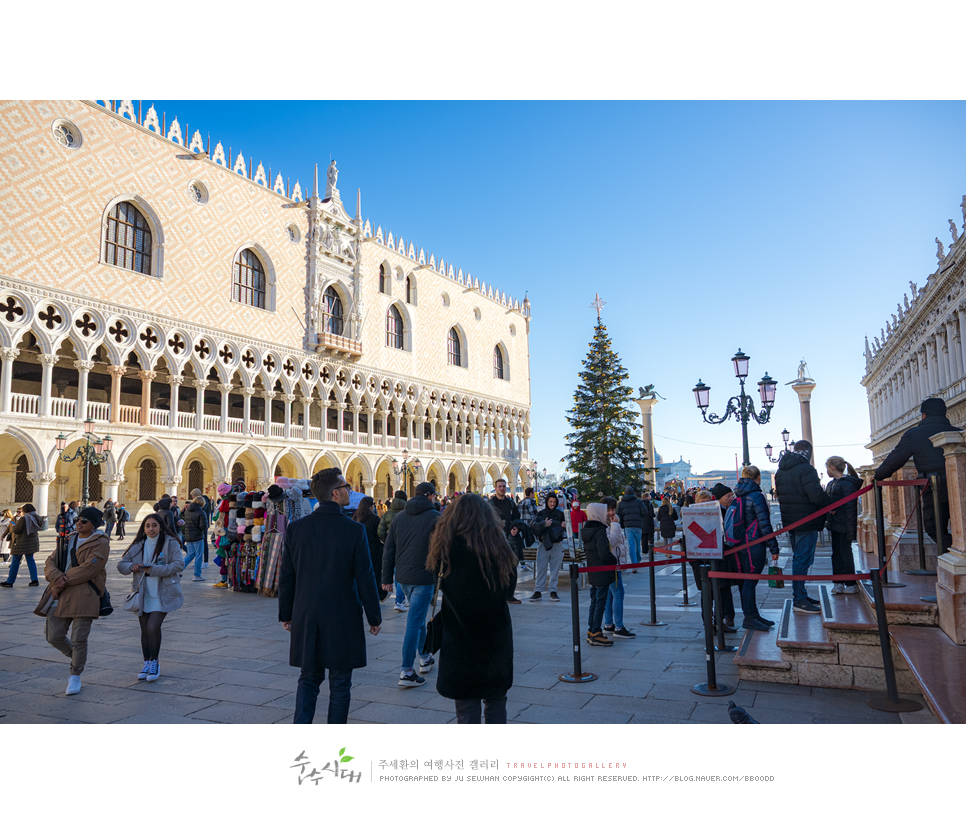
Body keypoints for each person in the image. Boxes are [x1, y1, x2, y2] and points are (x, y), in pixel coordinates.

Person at [279, 468, 382, 724]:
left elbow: (287, 577)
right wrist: (374, 616)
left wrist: (286, 614)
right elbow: (365, 577)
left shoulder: (296, 529)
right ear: (336, 494)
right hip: (342, 616)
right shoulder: (354, 530)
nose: (349, 490)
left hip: (307, 614)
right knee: (340, 684)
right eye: (346, 486)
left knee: (309, 679)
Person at [425, 493, 516, 723]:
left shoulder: (446, 549)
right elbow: (508, 588)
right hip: (495, 638)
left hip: (460, 639)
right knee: (496, 702)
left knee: (466, 708)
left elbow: (437, 578)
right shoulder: (499, 548)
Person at [874, 397, 958, 550]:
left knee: (934, 527)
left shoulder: (914, 434)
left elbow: (895, 460)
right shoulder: (958, 432)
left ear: (924, 415)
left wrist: (877, 476)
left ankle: (952, 555)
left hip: (934, 488)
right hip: (959, 484)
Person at [43, 506, 110, 695]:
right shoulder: (69, 538)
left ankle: (75, 674)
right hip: (60, 592)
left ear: (94, 525)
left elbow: (90, 569)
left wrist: (62, 580)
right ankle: (76, 657)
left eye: (84, 521)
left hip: (84, 594)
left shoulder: (101, 542)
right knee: (53, 636)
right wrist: (56, 577)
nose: (79, 523)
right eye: (78, 519)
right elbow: (50, 561)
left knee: (79, 639)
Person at [381, 481, 441, 687]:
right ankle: (406, 671)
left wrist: (387, 579)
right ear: (431, 496)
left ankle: (425, 657)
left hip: (403, 578)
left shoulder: (398, 517)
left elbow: (388, 549)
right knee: (413, 624)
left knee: (418, 617)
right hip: (424, 578)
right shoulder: (436, 518)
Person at [116, 514, 184, 681]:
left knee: (153, 627)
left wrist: (153, 570)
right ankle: (146, 662)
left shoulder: (170, 543)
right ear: (143, 528)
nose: (151, 529)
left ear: (160, 526)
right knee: (144, 630)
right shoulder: (139, 545)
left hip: (163, 593)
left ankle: (155, 662)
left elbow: (178, 564)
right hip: (143, 594)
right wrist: (133, 566)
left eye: (154, 525)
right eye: (147, 526)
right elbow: (121, 565)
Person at [776, 440, 832, 614]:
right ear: (809, 452)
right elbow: (816, 495)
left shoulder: (781, 470)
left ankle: (801, 594)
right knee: (803, 559)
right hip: (806, 520)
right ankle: (799, 598)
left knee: (800, 558)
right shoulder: (806, 469)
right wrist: (832, 505)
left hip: (791, 521)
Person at [730, 467, 780, 630]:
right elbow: (764, 524)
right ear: (758, 477)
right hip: (754, 543)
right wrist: (774, 547)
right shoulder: (757, 496)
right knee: (750, 582)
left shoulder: (738, 494)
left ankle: (753, 614)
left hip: (741, 544)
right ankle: (750, 617)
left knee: (747, 581)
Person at [581, 503, 616, 646]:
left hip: (593, 570)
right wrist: (614, 560)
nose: (606, 514)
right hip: (602, 570)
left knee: (594, 601)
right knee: (600, 602)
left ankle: (591, 630)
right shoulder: (599, 531)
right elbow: (604, 553)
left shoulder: (587, 530)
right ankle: (596, 632)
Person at [826, 456, 862, 594]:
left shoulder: (847, 484)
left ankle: (850, 583)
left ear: (832, 467)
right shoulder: (832, 483)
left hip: (844, 524)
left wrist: (850, 530)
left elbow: (850, 508)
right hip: (835, 524)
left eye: (827, 467)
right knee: (836, 554)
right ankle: (838, 582)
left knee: (845, 553)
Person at [602, 496, 635, 639]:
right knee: (618, 593)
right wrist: (615, 525)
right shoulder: (606, 524)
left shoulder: (609, 522)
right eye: (608, 510)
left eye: (613, 509)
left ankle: (609, 624)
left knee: (610, 594)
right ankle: (619, 627)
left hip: (612, 563)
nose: (611, 512)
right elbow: (611, 541)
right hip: (612, 563)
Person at [528, 492, 567, 602]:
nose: (552, 504)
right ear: (547, 502)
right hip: (544, 544)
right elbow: (534, 528)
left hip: (557, 544)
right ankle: (538, 591)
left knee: (555, 569)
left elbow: (567, 525)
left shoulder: (560, 514)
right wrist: (544, 525)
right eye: (550, 502)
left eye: (554, 502)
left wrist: (564, 525)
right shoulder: (541, 513)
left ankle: (553, 591)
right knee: (541, 568)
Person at [489, 478, 522, 603]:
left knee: (512, 567)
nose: (502, 488)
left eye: (503, 486)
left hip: (509, 538)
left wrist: (516, 528)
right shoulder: (490, 503)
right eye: (499, 486)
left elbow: (517, 518)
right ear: (495, 488)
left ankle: (510, 595)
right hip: (495, 540)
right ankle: (496, 595)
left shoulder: (510, 503)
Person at [378, 490, 410, 612]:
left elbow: (380, 531)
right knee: (401, 572)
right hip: (404, 546)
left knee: (396, 572)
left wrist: (387, 541)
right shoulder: (406, 513)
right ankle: (400, 600)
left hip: (391, 546)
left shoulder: (387, 513)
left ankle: (399, 600)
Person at [353, 496, 389, 601]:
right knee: (375, 572)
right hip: (373, 549)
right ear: (370, 506)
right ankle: (378, 593)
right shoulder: (374, 518)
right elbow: (380, 534)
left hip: (359, 548)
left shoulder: (355, 517)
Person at [1, 503, 42, 587]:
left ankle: (10, 581)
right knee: (30, 560)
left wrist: (14, 526)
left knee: (15, 561)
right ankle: (34, 580)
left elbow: (17, 530)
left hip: (21, 542)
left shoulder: (24, 518)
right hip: (32, 542)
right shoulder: (37, 517)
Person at [617, 485, 653, 571]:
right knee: (637, 544)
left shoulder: (621, 503)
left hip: (628, 526)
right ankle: (638, 559)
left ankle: (634, 564)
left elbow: (619, 515)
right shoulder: (638, 502)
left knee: (631, 545)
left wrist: (622, 524)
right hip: (638, 525)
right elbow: (644, 512)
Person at [182, 495, 209, 581]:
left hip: (188, 536)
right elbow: (203, 526)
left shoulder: (187, 511)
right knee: (199, 555)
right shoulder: (201, 512)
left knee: (190, 554)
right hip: (198, 536)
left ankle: (177, 569)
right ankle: (197, 575)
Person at [190, 487, 213, 569]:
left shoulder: (203, 501)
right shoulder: (204, 500)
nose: (192, 497)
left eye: (193, 496)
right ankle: (198, 562)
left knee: (203, 543)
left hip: (202, 524)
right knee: (199, 544)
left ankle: (205, 562)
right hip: (200, 524)